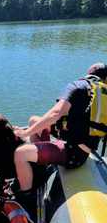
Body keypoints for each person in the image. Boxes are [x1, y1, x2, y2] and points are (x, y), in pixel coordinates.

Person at [14, 62, 107, 193]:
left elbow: (56, 113)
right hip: (82, 150)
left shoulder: (78, 86)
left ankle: (27, 195)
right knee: (34, 120)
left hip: (72, 155)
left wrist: (25, 133)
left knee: (20, 154)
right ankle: (40, 165)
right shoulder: (103, 94)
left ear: (90, 72)